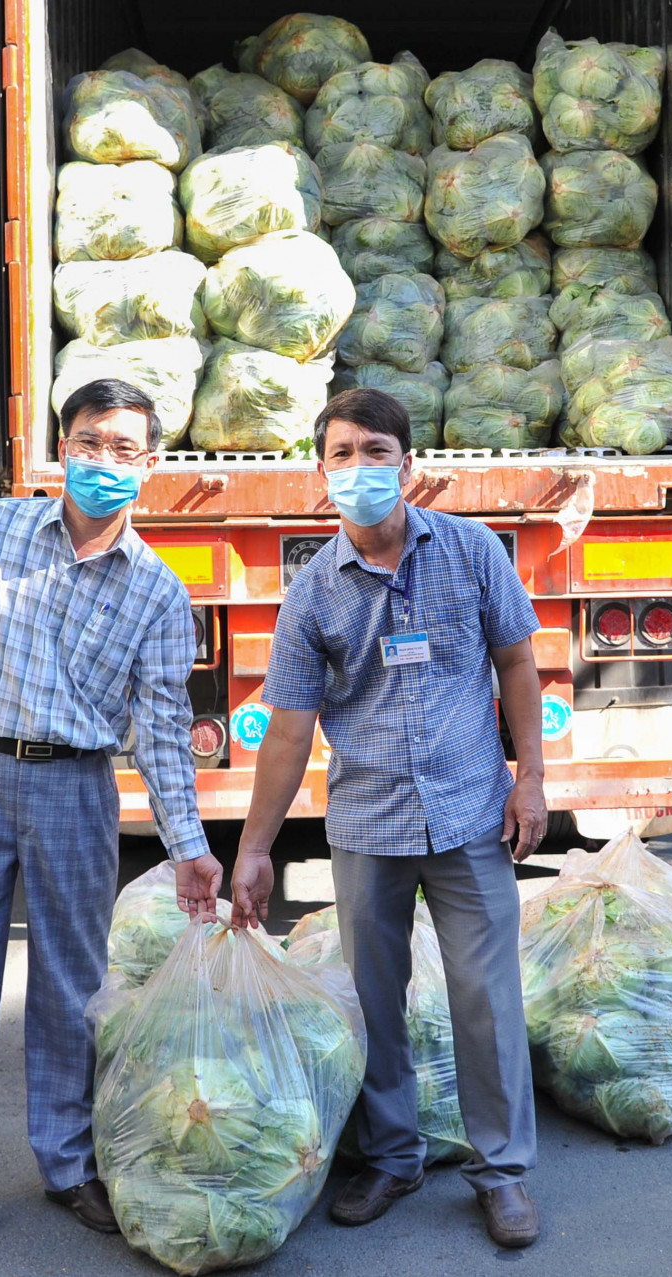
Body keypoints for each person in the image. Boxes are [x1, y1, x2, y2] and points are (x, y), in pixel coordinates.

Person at [0, 379, 223, 1268]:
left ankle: (68, 1162)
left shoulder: (156, 592)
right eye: (88, 442)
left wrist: (190, 846)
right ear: (60, 447)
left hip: (77, 790)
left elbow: (159, 730)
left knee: (73, 989)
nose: (104, 461)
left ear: (151, 465)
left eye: (124, 449)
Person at [229, 388, 548, 1249]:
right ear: (319, 471)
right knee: (375, 1000)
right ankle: (394, 1155)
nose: (360, 467)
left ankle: (502, 1172)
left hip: (470, 813)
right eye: (342, 453)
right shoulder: (312, 596)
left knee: (487, 997)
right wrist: (254, 847)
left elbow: (517, 662)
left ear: (409, 466)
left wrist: (532, 779)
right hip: (367, 822)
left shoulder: (473, 552)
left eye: (376, 451)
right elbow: (289, 728)